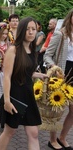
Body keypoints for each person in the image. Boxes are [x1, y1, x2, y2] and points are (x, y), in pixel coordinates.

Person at [0, 17, 48, 150]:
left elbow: (25, 72)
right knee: (10, 131)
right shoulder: (13, 50)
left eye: (34, 29)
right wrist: (7, 101)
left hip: (28, 95)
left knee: (34, 133)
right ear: (21, 31)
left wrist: (40, 75)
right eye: (28, 29)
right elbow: (7, 76)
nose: (31, 32)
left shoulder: (33, 51)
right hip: (15, 96)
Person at [44, 9, 73, 150]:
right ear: (70, 17)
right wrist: (54, 66)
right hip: (61, 74)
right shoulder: (60, 34)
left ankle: (62, 137)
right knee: (56, 109)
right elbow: (47, 55)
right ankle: (52, 140)